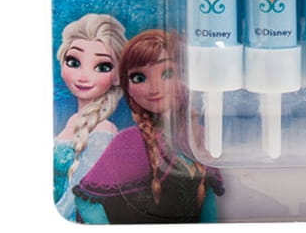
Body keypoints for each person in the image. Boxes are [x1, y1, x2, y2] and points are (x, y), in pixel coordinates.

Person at [74, 29, 223, 223]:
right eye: (138, 78)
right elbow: (86, 201)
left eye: (167, 73)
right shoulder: (131, 141)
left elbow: (208, 201)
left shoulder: (198, 136)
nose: (154, 88)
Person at [54, 13, 127, 220]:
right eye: (73, 62)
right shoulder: (72, 121)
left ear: (117, 76)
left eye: (102, 67)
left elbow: (77, 195)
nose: (84, 77)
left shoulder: (104, 131)